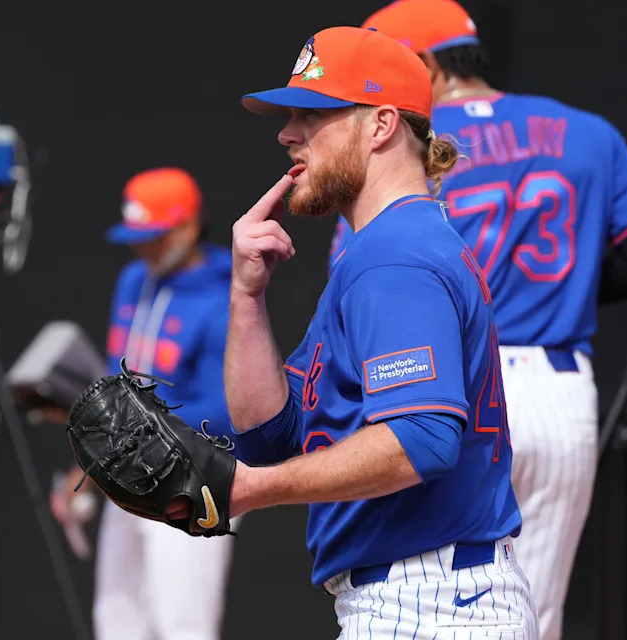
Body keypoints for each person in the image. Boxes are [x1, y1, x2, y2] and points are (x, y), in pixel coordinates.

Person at [324, 2, 627, 637]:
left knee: (431, 595)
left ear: (423, 65)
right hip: (557, 384)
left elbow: (361, 275)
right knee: (533, 616)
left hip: (455, 387)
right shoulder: (586, 131)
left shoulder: (407, 145)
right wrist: (566, 290)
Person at [205, 25, 539, 637]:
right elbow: (270, 438)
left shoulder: (395, 254)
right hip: (428, 596)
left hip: (431, 601)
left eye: (313, 114)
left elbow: (421, 438)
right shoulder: (383, 250)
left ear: (381, 125)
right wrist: (247, 295)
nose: (287, 134)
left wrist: (250, 491)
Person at [50, 167, 240, 640]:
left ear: (190, 225)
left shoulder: (227, 298)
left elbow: (225, 411)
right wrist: (90, 459)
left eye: (154, 236)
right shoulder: (134, 279)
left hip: (195, 482)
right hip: (129, 473)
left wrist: (131, 427)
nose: (142, 247)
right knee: (116, 622)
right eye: (137, 236)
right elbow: (116, 377)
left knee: (182, 626)